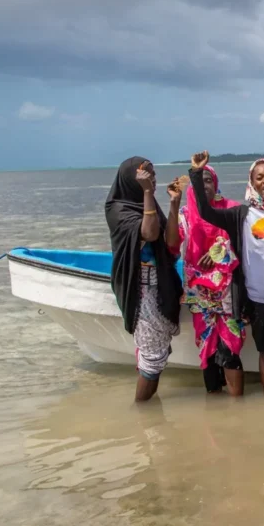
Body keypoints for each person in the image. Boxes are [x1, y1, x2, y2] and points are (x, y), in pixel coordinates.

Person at [188, 152, 264, 396]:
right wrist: (197, 175)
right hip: (256, 298)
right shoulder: (241, 215)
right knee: (263, 353)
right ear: (252, 183)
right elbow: (206, 211)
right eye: (260, 177)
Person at [105, 157, 182, 402]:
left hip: (161, 284)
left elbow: (170, 242)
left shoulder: (147, 204)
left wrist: (173, 205)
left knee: (156, 352)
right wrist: (148, 192)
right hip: (140, 289)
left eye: (153, 175)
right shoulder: (117, 208)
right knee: (152, 358)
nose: (152, 180)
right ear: (131, 179)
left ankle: (149, 415)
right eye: (145, 175)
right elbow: (148, 233)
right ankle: (143, 418)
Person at [163, 167, 245, 396]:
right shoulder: (185, 215)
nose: (205, 185)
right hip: (200, 294)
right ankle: (215, 407)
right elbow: (171, 244)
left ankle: (238, 405)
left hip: (229, 293)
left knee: (230, 348)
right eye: (200, 181)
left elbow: (246, 242)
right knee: (207, 350)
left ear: (216, 184)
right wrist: (173, 204)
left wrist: (220, 250)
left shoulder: (232, 210)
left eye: (209, 180)